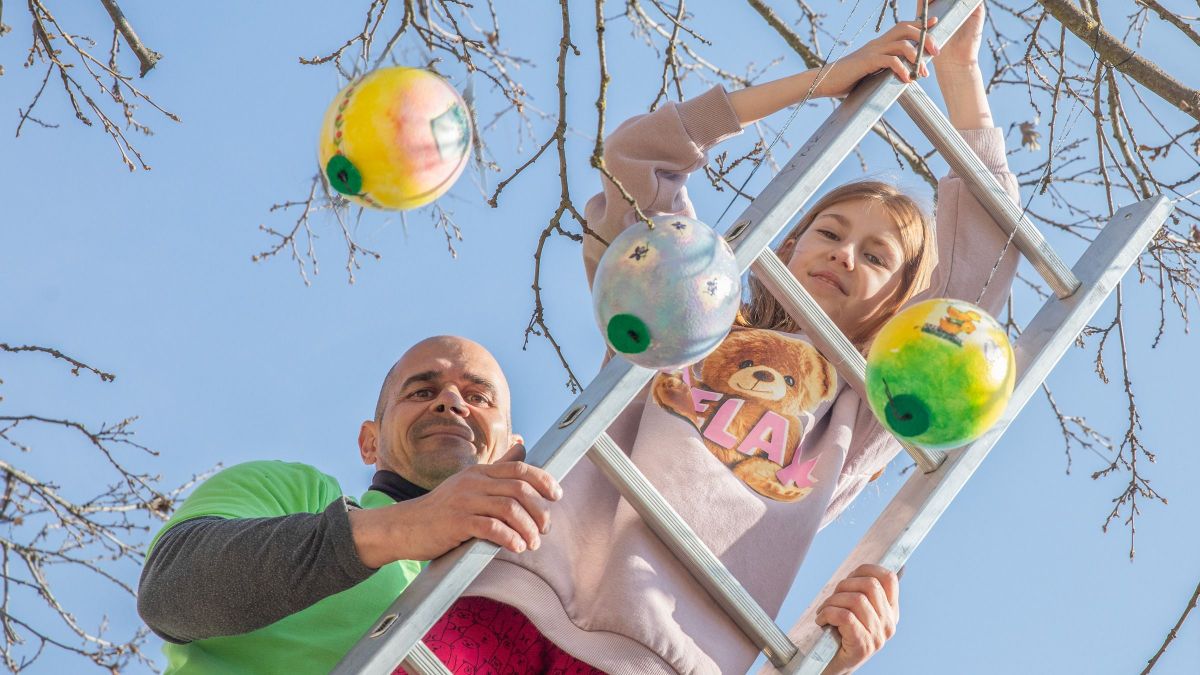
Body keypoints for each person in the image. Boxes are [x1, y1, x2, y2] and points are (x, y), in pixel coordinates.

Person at [404, 3, 1016, 674]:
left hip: (662, 655)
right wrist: (824, 80)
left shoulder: (861, 410)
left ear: (901, 307)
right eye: (831, 232)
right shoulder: (690, 305)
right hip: (527, 582)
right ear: (787, 242)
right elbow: (637, 158)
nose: (844, 256)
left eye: (875, 258)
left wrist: (960, 73)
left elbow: (976, 279)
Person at [137, 336, 563, 674]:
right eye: (421, 390)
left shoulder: (531, 585)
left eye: (479, 397)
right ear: (370, 441)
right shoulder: (293, 490)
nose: (450, 401)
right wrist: (404, 528)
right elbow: (169, 590)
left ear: (513, 452)